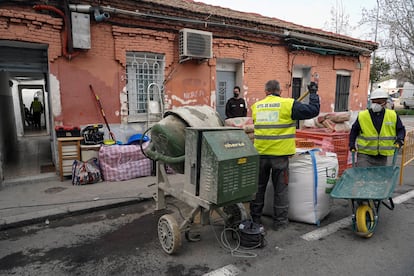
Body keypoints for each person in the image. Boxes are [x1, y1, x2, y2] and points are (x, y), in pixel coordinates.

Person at [250, 79, 320, 230]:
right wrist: (313, 92)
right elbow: (313, 110)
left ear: (266, 92)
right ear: (280, 91)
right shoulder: (289, 104)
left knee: (258, 188)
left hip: (260, 155)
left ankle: (255, 220)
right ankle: (280, 222)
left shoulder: (256, 106)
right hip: (279, 157)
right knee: (280, 190)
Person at [349, 88, 406, 167]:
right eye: (374, 102)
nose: (375, 104)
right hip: (365, 154)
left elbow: (400, 129)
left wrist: (400, 139)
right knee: (364, 177)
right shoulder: (363, 115)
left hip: (382, 156)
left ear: (385, 103)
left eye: (379, 102)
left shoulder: (392, 115)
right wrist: (351, 144)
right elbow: (354, 131)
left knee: (379, 177)